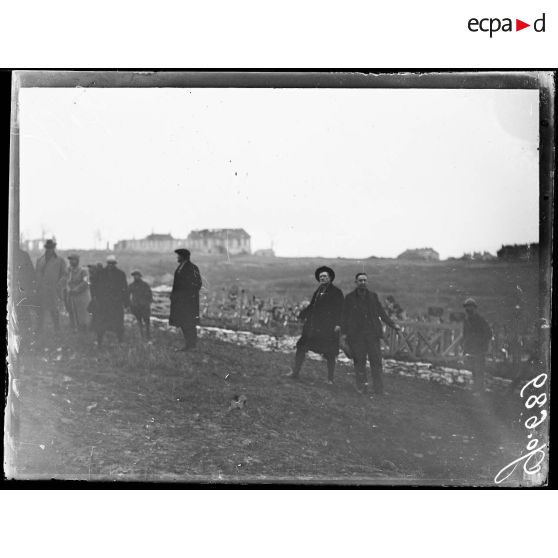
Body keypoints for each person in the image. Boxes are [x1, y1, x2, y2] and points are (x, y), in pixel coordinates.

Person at [341, 272, 400, 395]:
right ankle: (362, 387)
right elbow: (345, 317)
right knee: (359, 362)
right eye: (360, 280)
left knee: (376, 362)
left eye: (364, 280)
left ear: (366, 282)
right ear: (356, 282)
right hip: (357, 337)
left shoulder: (373, 296)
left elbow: (381, 313)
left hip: (372, 335)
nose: (363, 282)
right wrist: (344, 333)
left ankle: (379, 389)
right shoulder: (349, 298)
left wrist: (392, 324)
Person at [286, 266, 344, 384]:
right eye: (321, 276)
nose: (322, 278)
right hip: (312, 327)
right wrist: (302, 315)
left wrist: (338, 323)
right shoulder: (318, 291)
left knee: (330, 353)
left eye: (325, 276)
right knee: (301, 346)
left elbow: (341, 310)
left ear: (330, 278)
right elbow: (312, 306)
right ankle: (295, 373)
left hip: (327, 328)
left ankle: (330, 379)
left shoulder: (336, 292)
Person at [169, 248, 202, 351]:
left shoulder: (192, 268)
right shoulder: (180, 267)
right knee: (183, 322)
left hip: (188, 302)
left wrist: (188, 295)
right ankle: (189, 344)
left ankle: (191, 345)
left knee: (189, 323)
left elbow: (198, 283)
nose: (177, 257)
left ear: (183, 256)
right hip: (180, 301)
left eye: (178, 255)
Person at [93, 255, 129, 346]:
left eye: (112, 263)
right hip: (103, 302)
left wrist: (126, 302)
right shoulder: (101, 273)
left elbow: (125, 288)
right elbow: (95, 287)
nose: (111, 265)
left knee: (118, 322)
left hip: (116, 302)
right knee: (101, 322)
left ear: (115, 264)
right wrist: (95, 298)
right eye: (109, 263)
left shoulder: (120, 274)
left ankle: (120, 341)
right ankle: (99, 341)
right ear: (107, 263)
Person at [35, 239, 67, 334]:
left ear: (54, 248)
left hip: (54, 290)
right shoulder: (40, 260)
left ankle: (57, 329)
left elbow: (65, 275)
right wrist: (37, 287)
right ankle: (39, 329)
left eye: (51, 248)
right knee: (40, 309)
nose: (49, 249)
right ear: (46, 248)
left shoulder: (60, 260)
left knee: (54, 310)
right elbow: (37, 274)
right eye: (48, 248)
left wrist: (59, 285)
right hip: (41, 289)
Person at [462, 297, 493, 393]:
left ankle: (479, 389)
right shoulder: (466, 321)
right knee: (473, 369)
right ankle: (476, 388)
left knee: (479, 369)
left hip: (479, 349)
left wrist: (481, 342)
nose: (468, 310)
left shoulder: (480, 320)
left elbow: (489, 333)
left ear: (474, 308)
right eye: (467, 308)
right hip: (471, 348)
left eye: (470, 307)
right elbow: (465, 335)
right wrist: (464, 347)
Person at [13, 245, 37, 342]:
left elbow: (31, 273)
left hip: (21, 289)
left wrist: (28, 288)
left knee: (22, 311)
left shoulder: (23, 255)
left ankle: (25, 335)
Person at [65, 254, 91, 332]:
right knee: (73, 312)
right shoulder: (69, 271)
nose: (71, 262)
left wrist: (75, 289)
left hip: (83, 296)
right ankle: (76, 328)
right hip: (73, 295)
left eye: (73, 260)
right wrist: (69, 290)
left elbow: (86, 282)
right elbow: (67, 282)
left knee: (83, 313)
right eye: (70, 260)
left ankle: (85, 329)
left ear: (77, 261)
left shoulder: (83, 271)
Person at [128, 270, 153, 340]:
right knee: (139, 322)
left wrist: (148, 303)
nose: (136, 277)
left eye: (137, 276)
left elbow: (150, 295)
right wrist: (130, 304)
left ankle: (148, 337)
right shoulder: (131, 285)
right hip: (136, 307)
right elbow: (127, 295)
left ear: (140, 276)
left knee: (147, 322)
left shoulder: (145, 285)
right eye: (134, 276)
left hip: (145, 307)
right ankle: (141, 336)